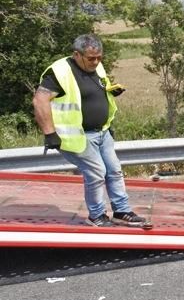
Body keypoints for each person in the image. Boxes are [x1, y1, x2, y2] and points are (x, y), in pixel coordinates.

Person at [32, 34, 147, 228]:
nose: (96, 62)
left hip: (102, 132)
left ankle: (121, 211)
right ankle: (96, 216)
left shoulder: (96, 66)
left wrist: (110, 90)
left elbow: (93, 90)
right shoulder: (60, 72)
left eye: (99, 57)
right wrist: (49, 133)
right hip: (76, 136)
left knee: (114, 171)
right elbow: (39, 100)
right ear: (77, 54)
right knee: (96, 172)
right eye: (91, 58)